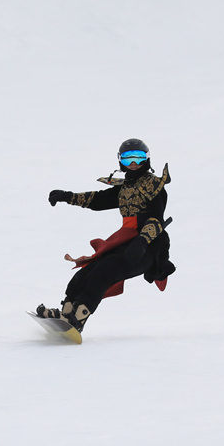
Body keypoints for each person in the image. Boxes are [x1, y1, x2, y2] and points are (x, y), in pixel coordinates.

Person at [37, 139, 176, 334]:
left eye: (139, 158)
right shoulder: (126, 188)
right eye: (128, 159)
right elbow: (98, 200)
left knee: (105, 270)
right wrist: (67, 196)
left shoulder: (154, 185)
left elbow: (156, 218)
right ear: (120, 161)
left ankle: (78, 319)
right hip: (128, 241)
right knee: (86, 272)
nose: (134, 163)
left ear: (147, 159)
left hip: (150, 246)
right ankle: (66, 311)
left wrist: (142, 241)